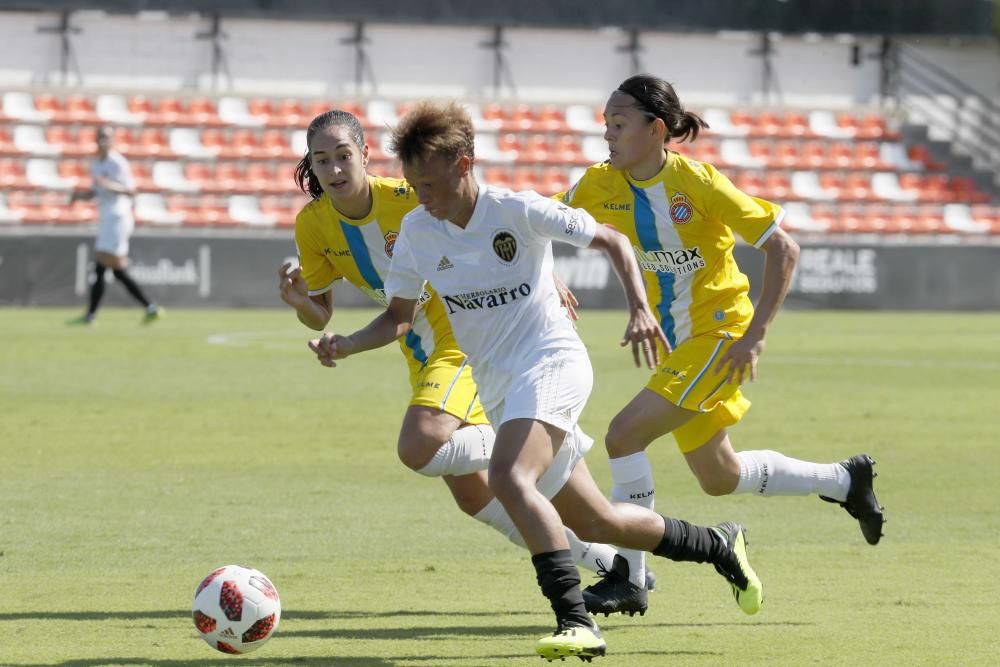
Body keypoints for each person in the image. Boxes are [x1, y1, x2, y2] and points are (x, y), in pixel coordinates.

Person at [307, 100, 763, 662]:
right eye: (413, 184)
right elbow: (399, 318)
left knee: (508, 476)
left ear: (464, 165)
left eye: (430, 183)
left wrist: (638, 309)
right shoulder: (419, 232)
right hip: (500, 388)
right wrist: (346, 343)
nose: (421, 196)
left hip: (553, 362)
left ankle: (576, 621)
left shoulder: (517, 210)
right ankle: (718, 545)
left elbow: (613, 241)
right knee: (599, 519)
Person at [280, 109, 656, 615]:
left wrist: (541, 276)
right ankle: (608, 561)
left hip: (461, 340)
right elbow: (321, 312)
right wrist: (302, 303)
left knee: (424, 444)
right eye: (321, 160)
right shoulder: (313, 224)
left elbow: (485, 221)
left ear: (365, 156)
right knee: (471, 493)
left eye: (343, 155)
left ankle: (532, 449)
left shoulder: (412, 196)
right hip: (419, 351)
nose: (334, 169)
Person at [557, 74, 885, 615]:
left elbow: (784, 247)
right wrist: (545, 274)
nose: (607, 136)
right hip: (678, 345)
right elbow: (537, 222)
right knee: (719, 476)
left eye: (618, 125)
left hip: (719, 335)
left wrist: (755, 336)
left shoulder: (699, 184)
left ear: (656, 129)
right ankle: (844, 479)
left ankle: (630, 576)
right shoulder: (599, 184)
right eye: (605, 126)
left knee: (622, 436)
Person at [67, 126, 162, 325]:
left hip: (118, 218)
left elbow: (131, 191)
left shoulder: (117, 163)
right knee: (117, 271)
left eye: (106, 138)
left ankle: (90, 316)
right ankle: (150, 307)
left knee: (101, 265)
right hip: (107, 218)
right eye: (100, 137)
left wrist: (108, 184)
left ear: (112, 140)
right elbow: (95, 192)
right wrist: (79, 196)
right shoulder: (97, 164)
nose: (102, 141)